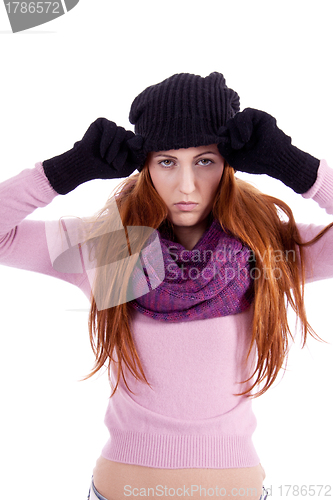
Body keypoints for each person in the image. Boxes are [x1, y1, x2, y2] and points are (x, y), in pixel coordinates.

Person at [1, 72, 332, 500]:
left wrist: (299, 168)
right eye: (167, 161)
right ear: (147, 167)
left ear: (229, 164)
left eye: (205, 160)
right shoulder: (110, 248)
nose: (187, 185)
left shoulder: (265, 248)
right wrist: (63, 171)